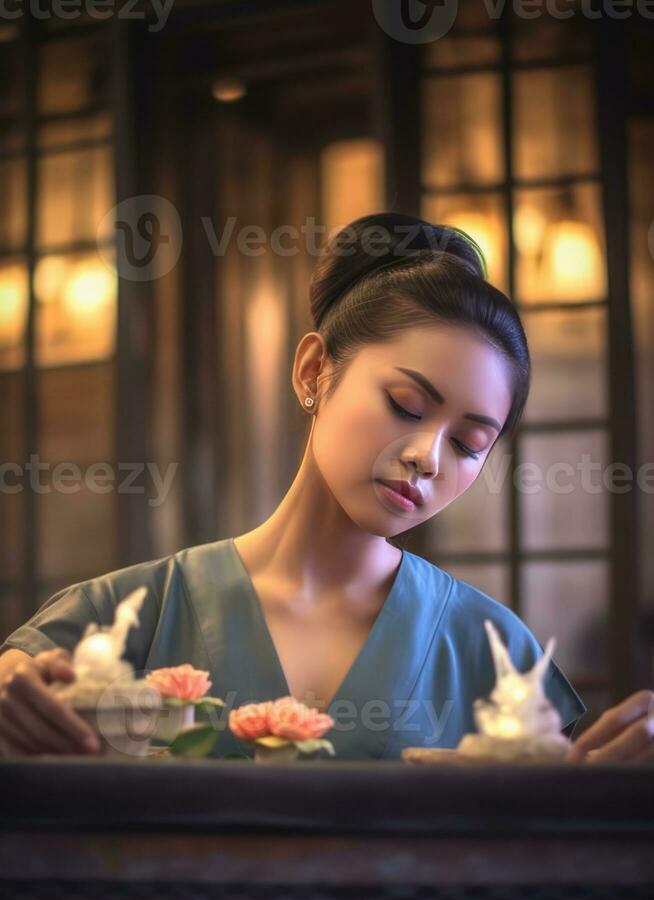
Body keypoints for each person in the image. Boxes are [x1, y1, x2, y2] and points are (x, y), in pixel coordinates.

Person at [0, 213, 650, 762]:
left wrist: (601, 786)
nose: (427, 457)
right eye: (405, 403)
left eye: (467, 445)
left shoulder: (494, 651)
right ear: (314, 371)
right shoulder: (133, 612)